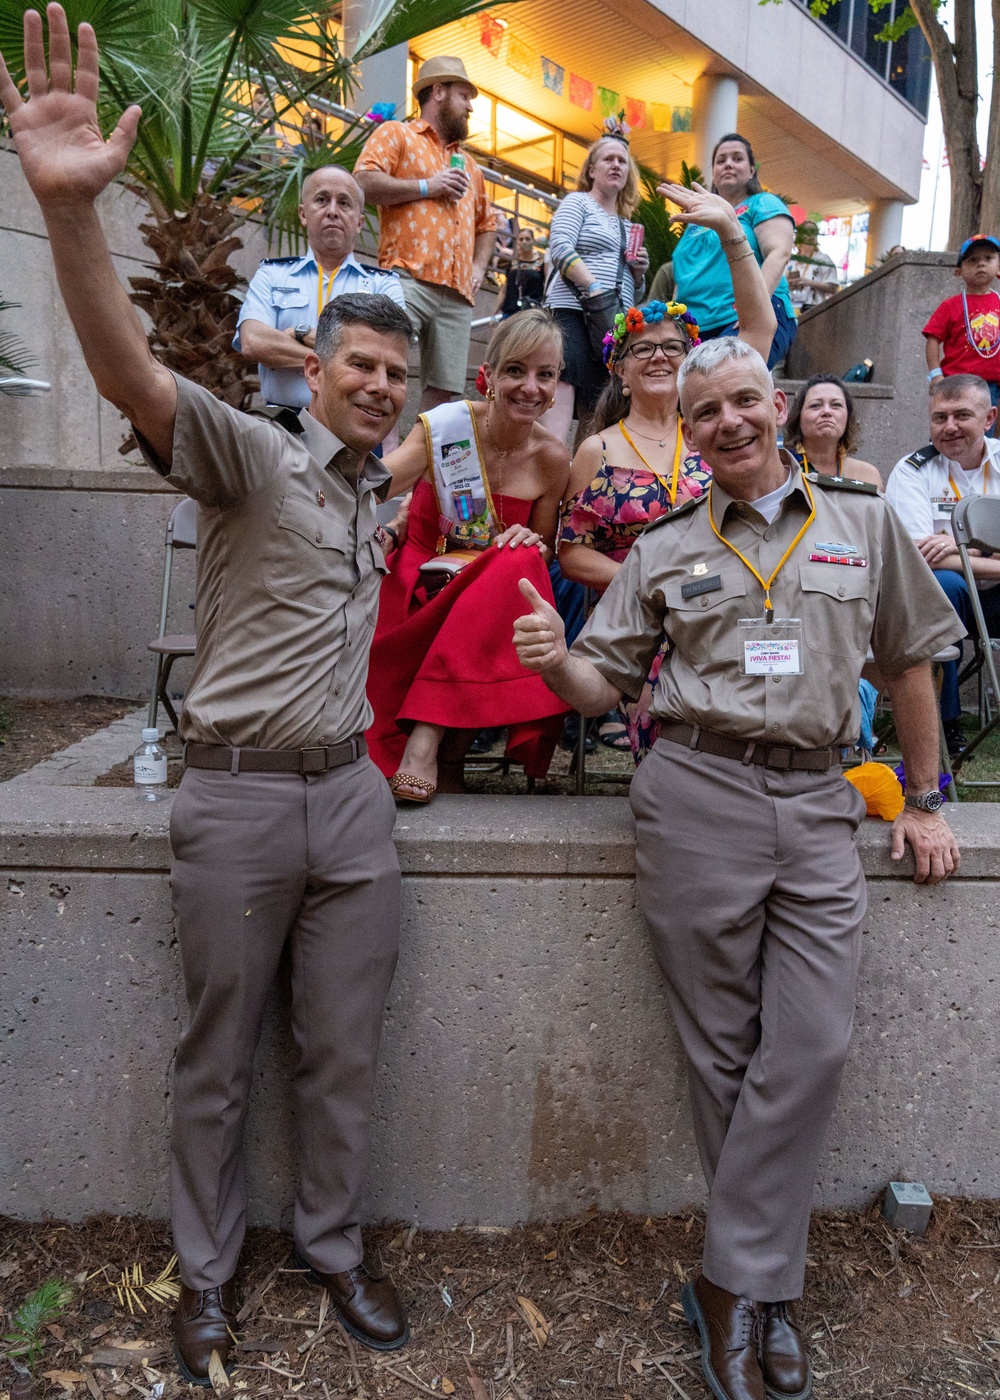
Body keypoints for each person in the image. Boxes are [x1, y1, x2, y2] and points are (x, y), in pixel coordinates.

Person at [0, 10, 429, 1381]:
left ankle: (334, 1246)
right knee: (219, 1056)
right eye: (359, 365)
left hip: (351, 799)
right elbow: (129, 372)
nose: (378, 386)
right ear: (317, 367)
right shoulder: (251, 453)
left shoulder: (377, 494)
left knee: (340, 1052)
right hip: (236, 799)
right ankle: (205, 1275)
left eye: (397, 375)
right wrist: (71, 210)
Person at [515, 334, 961, 1400]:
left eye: (744, 400)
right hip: (695, 794)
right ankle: (764, 1290)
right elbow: (603, 680)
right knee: (721, 1049)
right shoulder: (666, 545)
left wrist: (927, 797)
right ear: (692, 428)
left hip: (816, 798)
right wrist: (555, 660)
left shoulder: (861, 520)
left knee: (812, 1041)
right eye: (706, 410)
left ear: (781, 406)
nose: (729, 422)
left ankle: (729, 1281)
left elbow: (908, 663)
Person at [558, 181, 776, 757]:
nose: (658, 354)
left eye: (672, 347)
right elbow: (571, 553)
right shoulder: (597, 450)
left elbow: (759, 332)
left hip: (726, 602)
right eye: (642, 348)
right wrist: (652, 588)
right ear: (619, 370)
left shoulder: (714, 435)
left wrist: (732, 234)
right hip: (639, 616)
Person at [366, 309, 571, 802]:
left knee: (520, 560)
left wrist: (531, 541)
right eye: (516, 370)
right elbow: (376, 485)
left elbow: (543, 548)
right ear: (489, 375)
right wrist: (391, 526)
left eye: (545, 375)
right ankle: (443, 753)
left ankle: (427, 740)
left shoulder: (552, 458)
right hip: (420, 582)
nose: (530, 387)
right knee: (514, 571)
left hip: (486, 596)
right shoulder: (446, 428)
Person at [354, 56, 497, 414]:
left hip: (458, 293)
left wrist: (479, 267)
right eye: (464, 96)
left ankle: (420, 452)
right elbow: (362, 182)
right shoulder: (397, 134)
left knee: (444, 391)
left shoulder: (472, 167)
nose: (470, 107)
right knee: (383, 364)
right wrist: (427, 186)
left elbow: (487, 225)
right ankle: (382, 446)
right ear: (438, 92)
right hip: (407, 276)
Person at [885, 373, 1000, 754]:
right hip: (950, 594)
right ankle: (944, 723)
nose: (949, 427)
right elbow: (921, 556)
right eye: (939, 417)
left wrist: (958, 544)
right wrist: (989, 551)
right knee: (940, 585)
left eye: (962, 415)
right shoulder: (912, 470)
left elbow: (943, 553)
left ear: (989, 418)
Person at [235, 165, 405, 410]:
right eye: (322, 200)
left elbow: (384, 353)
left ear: (359, 222)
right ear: (303, 214)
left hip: (351, 423)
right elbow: (254, 342)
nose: (332, 211)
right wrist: (345, 360)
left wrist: (297, 335)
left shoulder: (383, 284)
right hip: (280, 421)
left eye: (344, 203)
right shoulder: (272, 274)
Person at [542, 123, 650, 447]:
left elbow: (633, 291)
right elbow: (560, 248)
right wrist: (593, 286)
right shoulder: (577, 203)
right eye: (608, 159)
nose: (616, 165)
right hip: (572, 311)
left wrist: (639, 274)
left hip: (611, 323)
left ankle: (581, 476)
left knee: (599, 403)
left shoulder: (629, 226)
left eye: (622, 161)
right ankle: (550, 463)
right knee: (564, 381)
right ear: (591, 170)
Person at [672, 132, 797, 370]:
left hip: (746, 318)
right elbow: (682, 278)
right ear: (714, 173)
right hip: (694, 327)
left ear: (751, 171)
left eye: (737, 158)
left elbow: (779, 253)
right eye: (721, 160)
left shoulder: (762, 203)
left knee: (723, 378)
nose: (728, 164)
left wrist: (753, 310)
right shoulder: (695, 223)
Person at [924, 234, 1000, 418]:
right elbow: (933, 339)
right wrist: (936, 375)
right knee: (958, 426)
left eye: (988, 258)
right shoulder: (950, 305)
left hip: (995, 383)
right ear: (959, 272)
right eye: (972, 260)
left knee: (988, 429)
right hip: (958, 383)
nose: (981, 264)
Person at [783, 375, 882, 487]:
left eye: (836, 405)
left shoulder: (868, 477)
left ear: (848, 417)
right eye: (815, 405)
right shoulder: (781, 469)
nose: (827, 411)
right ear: (798, 417)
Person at [785, 220, 839, 310]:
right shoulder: (791, 261)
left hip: (814, 309)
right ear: (800, 236)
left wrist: (809, 283)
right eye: (807, 232)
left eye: (814, 232)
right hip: (791, 307)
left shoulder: (823, 260)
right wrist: (790, 284)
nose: (811, 235)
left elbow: (833, 287)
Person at [495, 226, 545, 319]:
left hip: (530, 313)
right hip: (510, 311)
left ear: (533, 241)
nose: (524, 242)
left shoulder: (541, 265)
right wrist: (494, 313)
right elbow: (504, 290)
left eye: (527, 239)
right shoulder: (513, 264)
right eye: (521, 239)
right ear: (517, 241)